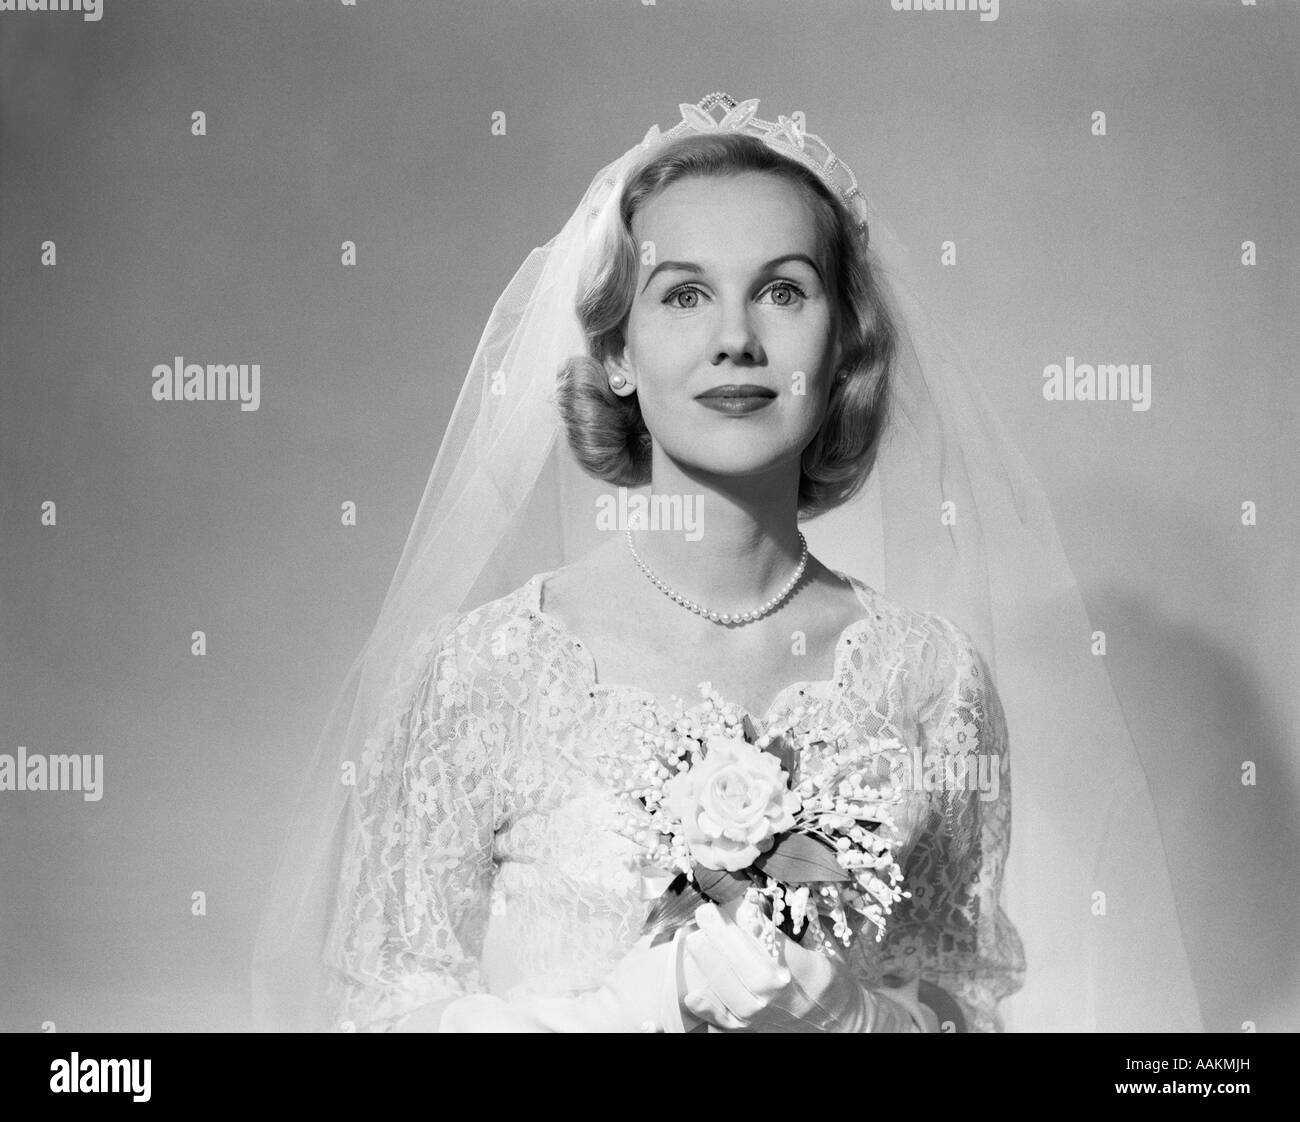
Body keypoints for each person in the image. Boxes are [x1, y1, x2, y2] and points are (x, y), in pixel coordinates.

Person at [251, 93, 1203, 1033]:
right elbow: (381, 1018)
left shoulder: (932, 681)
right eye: (684, 294)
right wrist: (635, 1010)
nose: (737, 338)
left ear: (844, 348)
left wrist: (853, 1016)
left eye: (784, 290)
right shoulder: (481, 673)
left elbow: (967, 1009)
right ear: (617, 350)